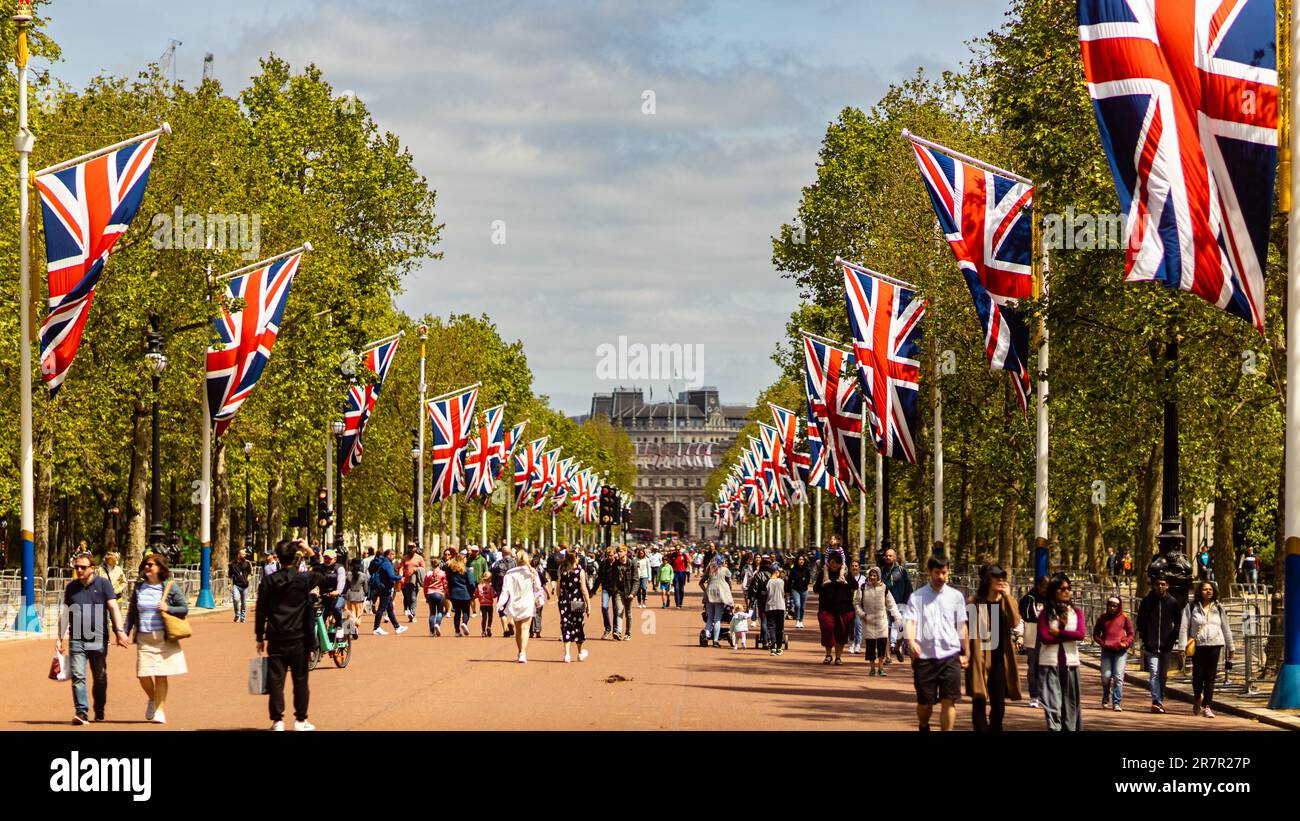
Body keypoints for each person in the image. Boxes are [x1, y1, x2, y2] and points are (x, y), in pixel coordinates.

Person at [255, 539, 334, 731]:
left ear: (278, 557)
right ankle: (300, 720)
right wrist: (310, 551)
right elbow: (322, 573)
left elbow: (261, 610)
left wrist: (259, 636)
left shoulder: (268, 581)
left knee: (276, 680)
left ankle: (278, 720)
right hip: (299, 637)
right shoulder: (302, 579)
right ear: (295, 557)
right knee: (300, 680)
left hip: (276, 635)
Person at [57, 552, 130, 724]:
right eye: (76, 567)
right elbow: (66, 613)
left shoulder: (103, 584)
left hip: (98, 637)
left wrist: (119, 631)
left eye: (83, 567)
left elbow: (113, 608)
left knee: (100, 676)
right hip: (77, 638)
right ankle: (81, 712)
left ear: (92, 568)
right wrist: (59, 638)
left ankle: (99, 708)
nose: (79, 570)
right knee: (78, 675)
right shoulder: (71, 587)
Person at [903, 554, 969, 732]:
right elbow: (910, 621)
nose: (941, 577)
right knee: (925, 704)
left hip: (950, 656)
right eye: (937, 572)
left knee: (949, 700)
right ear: (929, 572)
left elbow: (962, 626)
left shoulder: (956, 597)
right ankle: (924, 725)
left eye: (944, 573)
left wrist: (966, 652)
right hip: (924, 657)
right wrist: (911, 641)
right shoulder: (917, 597)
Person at [123, 553, 189, 725]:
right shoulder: (139, 588)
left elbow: (184, 608)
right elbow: (131, 612)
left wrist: (168, 608)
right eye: (145, 564)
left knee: (160, 675)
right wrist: (124, 631)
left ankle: (160, 710)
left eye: (150, 564)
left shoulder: (169, 587)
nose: (147, 567)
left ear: (160, 567)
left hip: (164, 638)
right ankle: (152, 699)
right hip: (144, 638)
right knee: (142, 675)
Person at [966, 565, 1022, 732]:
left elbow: (1015, 622)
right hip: (980, 657)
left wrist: (1007, 595)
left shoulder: (1006, 601)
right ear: (987, 580)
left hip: (1000, 659)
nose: (1000, 580)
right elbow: (971, 633)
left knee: (999, 707)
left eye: (1003, 577)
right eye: (996, 577)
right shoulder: (976, 602)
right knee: (979, 700)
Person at [1180, 581, 1235, 718]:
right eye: (1205, 589)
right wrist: (1181, 647)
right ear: (1200, 591)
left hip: (1215, 644)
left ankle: (1207, 706)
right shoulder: (1191, 606)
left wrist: (1231, 647)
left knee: (1210, 677)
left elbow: (1225, 628)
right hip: (1198, 645)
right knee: (1198, 676)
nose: (1208, 591)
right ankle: (1198, 696)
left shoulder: (1219, 607)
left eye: (1210, 589)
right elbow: (1184, 627)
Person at [1038, 573, 1085, 731]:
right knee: (1053, 706)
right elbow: (1045, 637)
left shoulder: (1076, 612)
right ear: (1053, 591)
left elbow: (1080, 634)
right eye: (1062, 589)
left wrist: (1059, 633)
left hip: (1071, 665)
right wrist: (1065, 634)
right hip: (1049, 664)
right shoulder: (1045, 613)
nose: (1067, 592)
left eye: (1069, 588)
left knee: (1071, 707)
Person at [1136, 577, 1179, 714]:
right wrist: (1145, 638)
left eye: (1163, 584)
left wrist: (1172, 640)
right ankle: (1156, 700)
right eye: (1158, 584)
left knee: (1163, 675)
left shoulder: (1172, 602)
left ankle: (1160, 697)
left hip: (1166, 646)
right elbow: (1140, 622)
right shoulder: (1147, 601)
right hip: (1151, 645)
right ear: (1154, 586)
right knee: (1154, 673)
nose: (1160, 586)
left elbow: (1179, 623)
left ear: (1167, 586)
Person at [498, 550, 544, 662]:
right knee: (525, 628)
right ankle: (522, 652)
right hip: (528, 602)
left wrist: (500, 604)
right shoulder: (532, 572)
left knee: (518, 629)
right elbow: (538, 587)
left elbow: (505, 591)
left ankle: (520, 651)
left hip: (515, 603)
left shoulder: (510, 573)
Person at [855, 566, 902, 677]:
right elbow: (856, 603)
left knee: (882, 644)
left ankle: (881, 667)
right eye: (871, 575)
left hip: (881, 621)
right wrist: (862, 615)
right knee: (870, 645)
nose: (872, 577)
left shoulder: (884, 588)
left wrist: (897, 617)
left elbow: (891, 604)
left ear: (878, 576)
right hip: (868, 620)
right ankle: (872, 668)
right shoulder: (862, 588)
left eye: (875, 575)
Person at [1092, 595, 1134, 710]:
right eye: (1110, 605)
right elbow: (1095, 634)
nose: (1112, 608)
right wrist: (1102, 642)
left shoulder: (1124, 618)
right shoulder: (1102, 618)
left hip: (1120, 651)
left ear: (1118, 606)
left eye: (1115, 606)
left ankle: (1116, 702)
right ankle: (1106, 695)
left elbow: (1131, 633)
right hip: (1106, 651)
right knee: (1105, 676)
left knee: (1118, 676)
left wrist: (1125, 643)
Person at [813, 548, 855, 664]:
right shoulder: (823, 573)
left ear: (840, 563)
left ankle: (838, 657)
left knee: (841, 633)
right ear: (829, 562)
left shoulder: (845, 573)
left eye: (837, 563)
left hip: (844, 609)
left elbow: (854, 585)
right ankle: (828, 655)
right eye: (832, 562)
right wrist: (823, 584)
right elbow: (816, 589)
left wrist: (845, 583)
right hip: (826, 608)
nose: (834, 565)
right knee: (827, 630)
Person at [1018, 575, 1048, 709]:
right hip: (1032, 634)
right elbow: (1021, 617)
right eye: (1044, 587)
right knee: (1033, 666)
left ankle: (1044, 694)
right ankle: (1034, 695)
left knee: (1045, 667)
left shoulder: (1052, 599)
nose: (1045, 590)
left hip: (1047, 636)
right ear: (1039, 586)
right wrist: (1019, 636)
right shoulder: (1028, 599)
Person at [557, 550, 592, 663]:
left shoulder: (562, 570)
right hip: (577, 600)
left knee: (566, 624)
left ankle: (567, 654)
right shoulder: (580, 571)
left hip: (564, 601)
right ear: (576, 558)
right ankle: (580, 653)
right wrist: (588, 604)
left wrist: (560, 598)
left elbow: (558, 588)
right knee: (578, 624)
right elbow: (583, 589)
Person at [881, 548, 912, 661]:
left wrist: (909, 601)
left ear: (894, 557)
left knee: (900, 627)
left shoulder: (901, 570)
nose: (888, 557)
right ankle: (889, 653)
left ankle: (897, 647)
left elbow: (909, 586)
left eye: (890, 556)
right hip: (886, 604)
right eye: (886, 556)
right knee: (886, 628)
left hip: (901, 603)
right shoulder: (882, 571)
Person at [369, 548, 406, 636]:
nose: (393, 556)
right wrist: (400, 576)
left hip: (382, 588)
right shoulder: (387, 564)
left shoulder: (383, 562)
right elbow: (392, 576)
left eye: (394, 554)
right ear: (387, 555)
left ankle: (397, 627)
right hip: (385, 589)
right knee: (381, 608)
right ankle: (376, 628)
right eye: (392, 554)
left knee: (389, 608)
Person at [701, 556, 733, 648]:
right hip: (720, 596)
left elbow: (701, 582)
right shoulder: (725, 570)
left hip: (709, 595)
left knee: (710, 618)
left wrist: (706, 591)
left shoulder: (710, 569)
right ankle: (715, 641)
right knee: (717, 619)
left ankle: (706, 636)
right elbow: (729, 581)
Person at [446, 552, 477, 636]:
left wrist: (450, 591)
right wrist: (473, 591)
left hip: (454, 594)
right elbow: (471, 583)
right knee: (466, 611)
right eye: (465, 559)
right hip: (465, 593)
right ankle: (464, 623)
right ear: (463, 560)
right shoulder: (466, 570)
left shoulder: (451, 570)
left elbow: (448, 581)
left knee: (457, 613)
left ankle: (457, 631)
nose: (466, 560)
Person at [614, 545, 638, 640]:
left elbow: (636, 580)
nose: (618, 553)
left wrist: (633, 593)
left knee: (628, 614)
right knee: (619, 611)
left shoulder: (632, 563)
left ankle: (628, 633)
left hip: (629, 591)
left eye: (620, 551)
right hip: (619, 591)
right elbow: (613, 578)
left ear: (625, 552)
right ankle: (618, 632)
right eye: (618, 551)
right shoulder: (616, 564)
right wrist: (614, 589)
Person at [399, 546, 425, 623]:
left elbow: (423, 568)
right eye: (410, 548)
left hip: (415, 581)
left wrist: (416, 569)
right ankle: (411, 614)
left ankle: (412, 614)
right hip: (406, 581)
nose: (411, 549)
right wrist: (400, 576)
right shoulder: (405, 558)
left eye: (412, 548)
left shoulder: (419, 558)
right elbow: (401, 567)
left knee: (413, 597)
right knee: (408, 598)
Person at [764, 567, 786, 656]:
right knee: (779, 628)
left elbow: (766, 593)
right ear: (776, 572)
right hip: (780, 606)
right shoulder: (781, 581)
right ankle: (779, 647)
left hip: (770, 606)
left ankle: (773, 647)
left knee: (771, 627)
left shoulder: (768, 582)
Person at [423, 557, 448, 635]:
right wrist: (447, 593)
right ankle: (437, 623)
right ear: (439, 564)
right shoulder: (443, 573)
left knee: (432, 613)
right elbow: (445, 584)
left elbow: (425, 586)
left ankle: (431, 631)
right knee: (440, 611)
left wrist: (426, 596)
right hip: (439, 593)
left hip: (430, 593)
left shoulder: (428, 574)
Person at [227, 549, 252, 623]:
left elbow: (251, 572)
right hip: (236, 585)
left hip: (245, 586)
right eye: (242, 554)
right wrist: (229, 584)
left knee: (243, 602)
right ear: (238, 555)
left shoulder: (247, 563)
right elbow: (230, 575)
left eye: (244, 554)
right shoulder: (232, 564)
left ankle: (243, 617)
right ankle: (237, 614)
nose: (243, 556)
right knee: (236, 599)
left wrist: (249, 577)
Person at [787, 554, 811, 629]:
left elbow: (808, 579)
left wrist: (805, 582)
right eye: (800, 559)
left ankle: (801, 621)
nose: (801, 561)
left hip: (804, 590)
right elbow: (790, 580)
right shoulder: (793, 569)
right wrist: (787, 590)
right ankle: (797, 620)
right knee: (797, 605)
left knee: (803, 607)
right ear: (797, 561)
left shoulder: (807, 569)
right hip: (795, 589)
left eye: (802, 560)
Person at [345, 558, 366, 632]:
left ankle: (350, 626)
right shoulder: (363, 575)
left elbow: (345, 586)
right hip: (359, 596)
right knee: (359, 613)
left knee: (349, 612)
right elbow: (365, 588)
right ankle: (356, 626)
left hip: (349, 595)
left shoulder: (347, 574)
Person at [475, 572, 497, 636]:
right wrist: (495, 595)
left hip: (482, 604)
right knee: (490, 617)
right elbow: (493, 595)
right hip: (489, 604)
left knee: (484, 618)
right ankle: (489, 627)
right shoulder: (490, 586)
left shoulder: (479, 586)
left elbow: (476, 594)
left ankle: (483, 631)